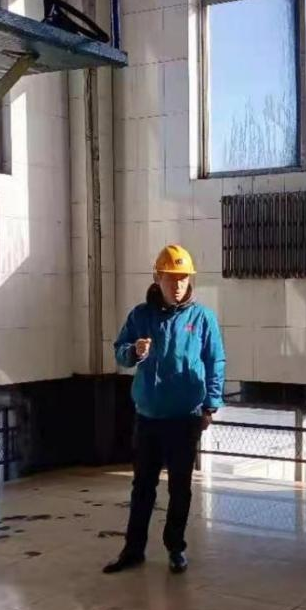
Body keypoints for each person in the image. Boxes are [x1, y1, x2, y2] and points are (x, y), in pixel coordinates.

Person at [103, 245, 225, 576]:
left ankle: (176, 548)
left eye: (183, 278)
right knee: (142, 486)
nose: (178, 285)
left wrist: (210, 406)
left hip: (185, 419)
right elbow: (120, 352)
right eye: (171, 278)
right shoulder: (140, 316)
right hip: (149, 418)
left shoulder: (202, 318)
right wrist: (133, 351)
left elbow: (215, 362)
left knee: (180, 488)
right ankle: (133, 550)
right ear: (157, 278)